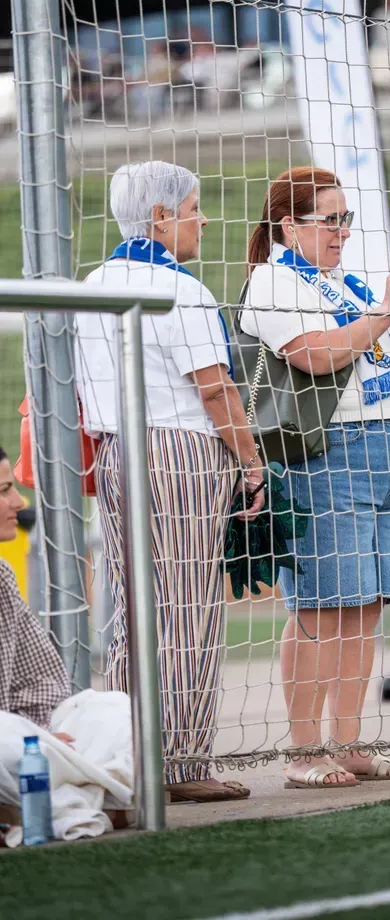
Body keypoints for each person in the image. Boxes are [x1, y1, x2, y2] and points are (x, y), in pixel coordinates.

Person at [240, 167, 390, 787]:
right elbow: (316, 354)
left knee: (367, 603)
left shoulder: (342, 282)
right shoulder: (273, 280)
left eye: (345, 219)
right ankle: (304, 753)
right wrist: (385, 307)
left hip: (389, 449)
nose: (342, 232)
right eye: (330, 220)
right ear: (288, 225)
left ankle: (348, 742)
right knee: (320, 606)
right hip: (328, 454)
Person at [75, 160, 266, 802]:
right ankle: (181, 764)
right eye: (193, 208)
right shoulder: (181, 289)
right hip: (180, 450)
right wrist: (250, 461)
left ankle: (127, 756)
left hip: (115, 452)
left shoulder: (95, 280)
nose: (203, 219)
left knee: (134, 610)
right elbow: (215, 389)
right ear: (160, 218)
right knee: (186, 608)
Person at [0, 449, 134, 841]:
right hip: (15, 738)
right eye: (5, 490)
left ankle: (46, 807)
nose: (18, 502)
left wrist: (40, 738)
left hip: (39, 739)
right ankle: (87, 802)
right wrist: (33, 739)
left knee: (115, 709)